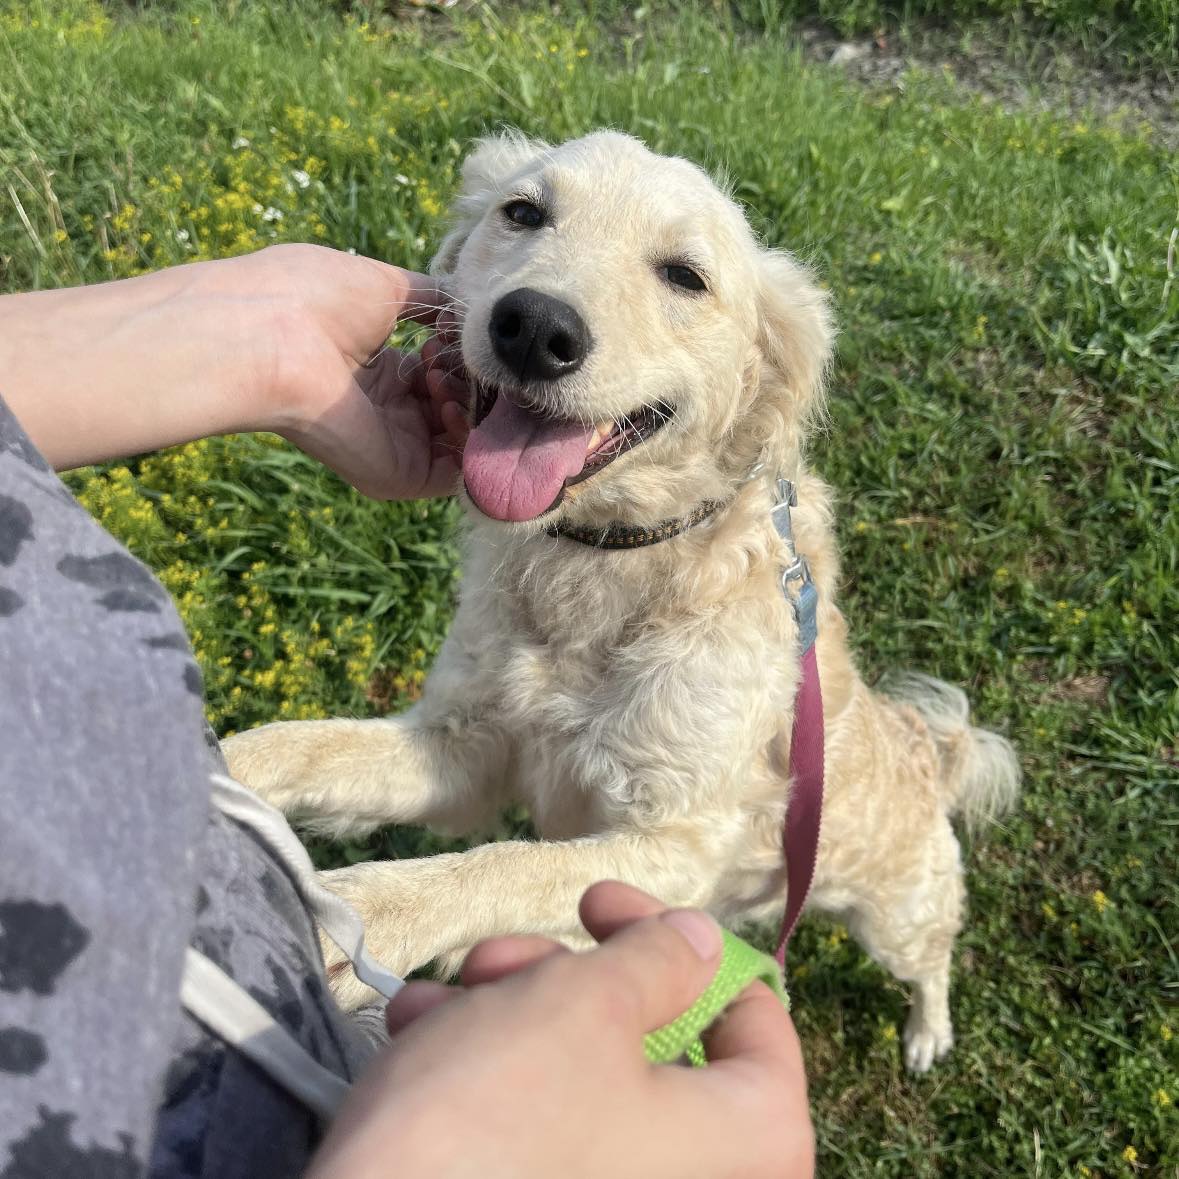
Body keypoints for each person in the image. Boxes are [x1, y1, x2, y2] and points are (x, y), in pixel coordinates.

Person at [0, 244, 814, 1178]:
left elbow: (683, 852)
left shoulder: (746, 601)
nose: (551, 302)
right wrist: (221, 774)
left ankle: (928, 993)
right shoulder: (525, 543)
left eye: (682, 275)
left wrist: (417, 902)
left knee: (909, 923)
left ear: (760, 374)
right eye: (525, 215)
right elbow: (456, 758)